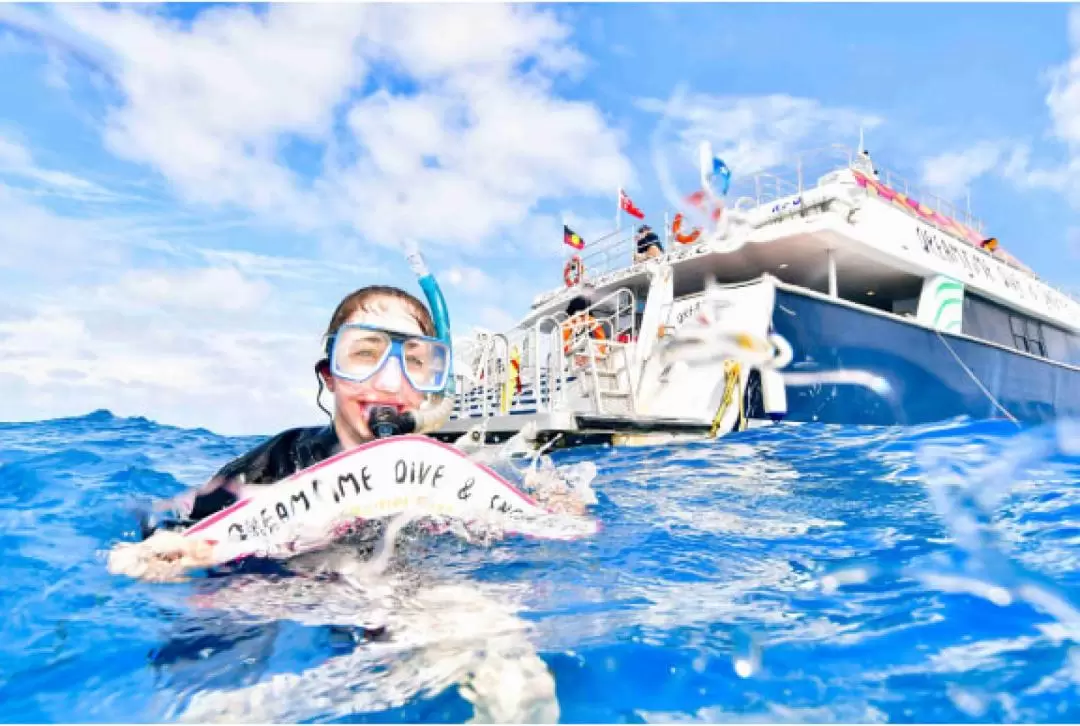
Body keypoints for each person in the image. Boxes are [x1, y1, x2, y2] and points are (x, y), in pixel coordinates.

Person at [109, 280, 456, 581]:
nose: (390, 381)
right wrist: (162, 548)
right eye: (366, 353)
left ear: (431, 386)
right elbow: (172, 516)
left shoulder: (448, 476)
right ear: (329, 376)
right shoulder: (278, 462)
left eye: (414, 361)